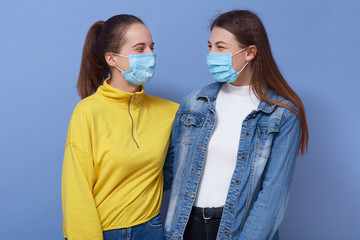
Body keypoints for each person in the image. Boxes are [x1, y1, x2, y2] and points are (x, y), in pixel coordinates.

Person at [164, 10, 309, 240]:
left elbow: (272, 196)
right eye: (209, 46)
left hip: (239, 231)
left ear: (250, 52)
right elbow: (171, 171)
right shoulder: (194, 103)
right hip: (185, 227)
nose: (211, 54)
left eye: (220, 48)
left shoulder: (282, 114)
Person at [61, 14, 178, 240]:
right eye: (140, 49)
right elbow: (77, 188)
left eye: (152, 48)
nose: (150, 55)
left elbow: (174, 172)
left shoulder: (171, 112)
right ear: (111, 59)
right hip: (105, 232)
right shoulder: (88, 112)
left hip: (151, 229)